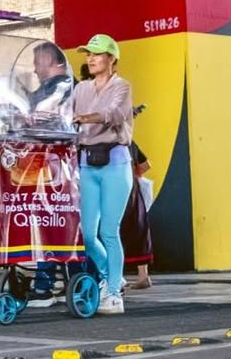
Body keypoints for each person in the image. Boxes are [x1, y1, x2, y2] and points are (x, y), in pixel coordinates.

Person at [71, 34, 134, 315]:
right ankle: (113, 276)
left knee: (109, 231)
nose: (91, 58)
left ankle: (114, 295)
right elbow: (62, 112)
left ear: (111, 58)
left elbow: (114, 114)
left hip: (115, 163)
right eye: (88, 54)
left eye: (97, 54)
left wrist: (84, 118)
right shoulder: (81, 88)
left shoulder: (122, 86)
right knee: (86, 234)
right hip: (87, 164)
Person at [121, 141, 153, 289]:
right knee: (139, 231)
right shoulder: (130, 142)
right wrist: (133, 175)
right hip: (133, 191)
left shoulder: (106, 141)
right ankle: (143, 275)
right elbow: (146, 165)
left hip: (118, 192)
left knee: (115, 233)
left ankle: (116, 276)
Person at [29, 41, 74, 117]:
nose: (35, 70)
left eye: (37, 63)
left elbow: (40, 110)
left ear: (48, 59)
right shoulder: (51, 85)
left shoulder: (63, 86)